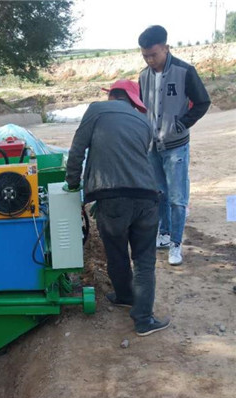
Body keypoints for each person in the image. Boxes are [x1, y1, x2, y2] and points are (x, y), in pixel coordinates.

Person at [65, 79, 170, 336]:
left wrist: (71, 185)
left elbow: (77, 150)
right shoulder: (144, 121)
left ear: (112, 95)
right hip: (147, 197)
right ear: (134, 101)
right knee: (144, 262)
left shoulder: (96, 110)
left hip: (111, 199)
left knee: (117, 252)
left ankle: (125, 295)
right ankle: (143, 318)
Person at [138, 25, 211, 265]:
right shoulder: (143, 76)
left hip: (176, 146)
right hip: (152, 147)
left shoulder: (185, 71)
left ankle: (176, 245)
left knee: (178, 198)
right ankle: (165, 233)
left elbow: (202, 101)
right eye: (145, 55)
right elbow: (143, 108)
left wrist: (182, 124)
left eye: (154, 54)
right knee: (159, 194)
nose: (149, 60)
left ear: (166, 48)